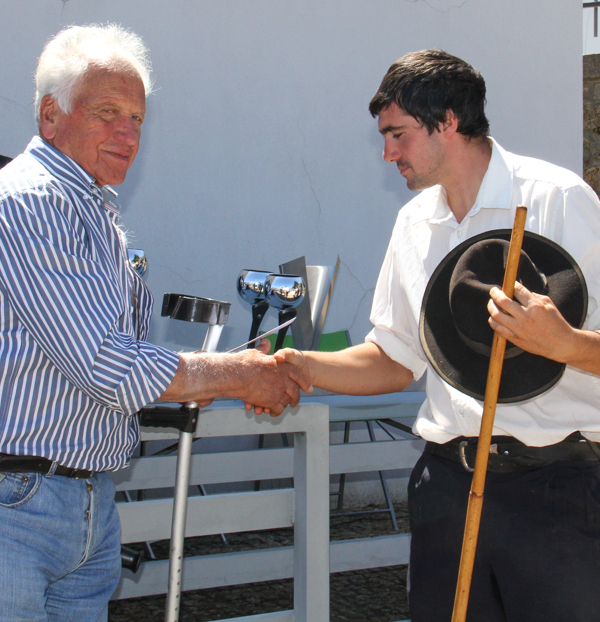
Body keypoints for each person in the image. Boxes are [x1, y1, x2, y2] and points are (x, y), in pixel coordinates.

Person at [274, 49, 600, 621]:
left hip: (559, 493)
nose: (387, 153)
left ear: (448, 120)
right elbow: (396, 359)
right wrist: (300, 366)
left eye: (397, 134)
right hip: (448, 487)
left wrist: (565, 343)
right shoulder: (414, 223)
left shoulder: (556, 199)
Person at [0, 24, 310, 622]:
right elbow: (105, 364)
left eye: (137, 118)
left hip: (80, 500)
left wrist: (218, 378)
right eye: (108, 112)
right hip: (20, 506)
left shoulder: (90, 210)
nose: (128, 134)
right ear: (49, 115)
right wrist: (239, 374)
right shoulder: (31, 202)